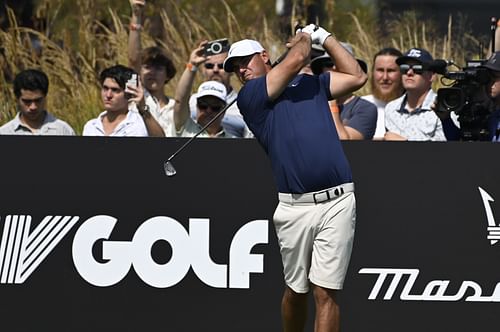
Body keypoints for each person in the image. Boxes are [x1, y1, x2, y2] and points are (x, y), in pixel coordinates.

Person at [223, 24, 367, 332]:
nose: (241, 70)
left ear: (264, 56)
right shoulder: (250, 97)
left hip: (339, 200)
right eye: (235, 67)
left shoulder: (310, 84)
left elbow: (357, 77)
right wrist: (306, 36)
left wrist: (327, 37)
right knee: (296, 291)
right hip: (294, 207)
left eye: (246, 61)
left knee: (325, 292)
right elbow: (299, 55)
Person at [128, 0, 175, 136]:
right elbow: (133, 59)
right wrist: (136, 15)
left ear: (168, 75)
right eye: (147, 67)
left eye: (159, 68)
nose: (152, 72)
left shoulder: (175, 107)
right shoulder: (136, 94)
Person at [311, 43, 377, 140]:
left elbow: (344, 140)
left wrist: (331, 101)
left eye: (339, 63)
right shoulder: (309, 104)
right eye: (328, 64)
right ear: (322, 70)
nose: (334, 67)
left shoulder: (365, 108)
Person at [188, 40, 252, 138]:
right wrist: (192, 65)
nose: (215, 70)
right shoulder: (191, 101)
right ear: (202, 69)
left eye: (221, 66)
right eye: (209, 66)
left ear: (231, 70)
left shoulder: (244, 104)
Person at [384, 48, 446, 141]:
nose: (409, 73)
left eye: (418, 69)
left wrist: (405, 143)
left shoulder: (443, 107)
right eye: (404, 68)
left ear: (432, 76)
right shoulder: (391, 108)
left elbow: (444, 150)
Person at [173, 42, 233, 138]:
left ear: (224, 110)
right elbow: (180, 101)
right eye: (203, 105)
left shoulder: (233, 140)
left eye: (215, 107)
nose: (208, 110)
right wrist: (192, 65)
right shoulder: (186, 128)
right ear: (196, 105)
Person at [0, 69, 75, 135]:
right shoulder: (5, 132)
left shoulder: (63, 130)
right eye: (27, 101)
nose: (33, 107)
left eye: (38, 100)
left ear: (45, 97)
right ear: (17, 99)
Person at [82, 65, 148, 137]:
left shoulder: (138, 126)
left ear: (129, 93)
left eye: (115, 90)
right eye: (105, 88)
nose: (108, 95)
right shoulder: (91, 127)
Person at [361, 47, 405, 139]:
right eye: (380, 70)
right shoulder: (359, 106)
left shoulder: (414, 109)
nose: (385, 77)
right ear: (372, 73)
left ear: (402, 73)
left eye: (391, 71)